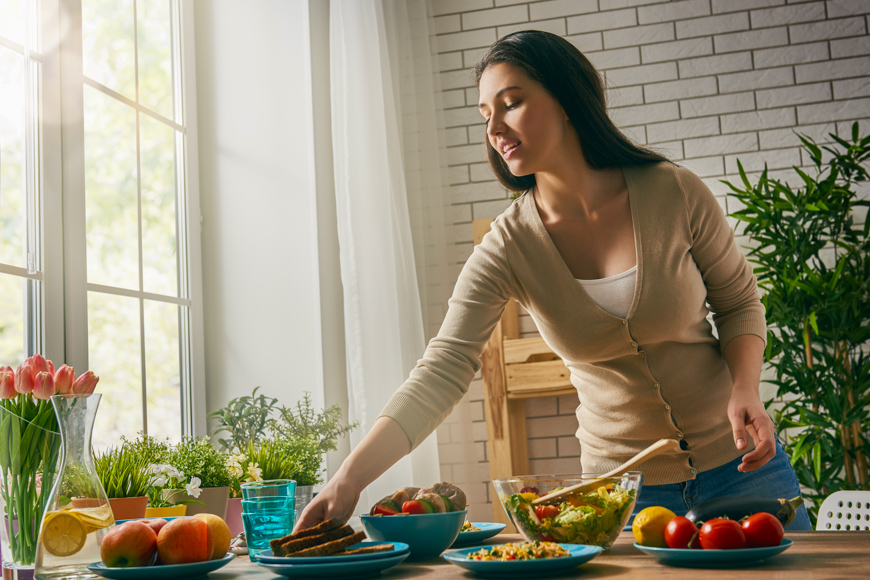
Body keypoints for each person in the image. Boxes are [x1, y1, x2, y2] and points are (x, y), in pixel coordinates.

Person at [295, 30, 811, 532]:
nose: (495, 127)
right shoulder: (507, 247)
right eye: (485, 114)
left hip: (745, 469)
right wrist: (348, 478)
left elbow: (739, 301)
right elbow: (443, 368)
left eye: (511, 103)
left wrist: (746, 389)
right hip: (619, 499)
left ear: (566, 101)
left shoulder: (674, 192)